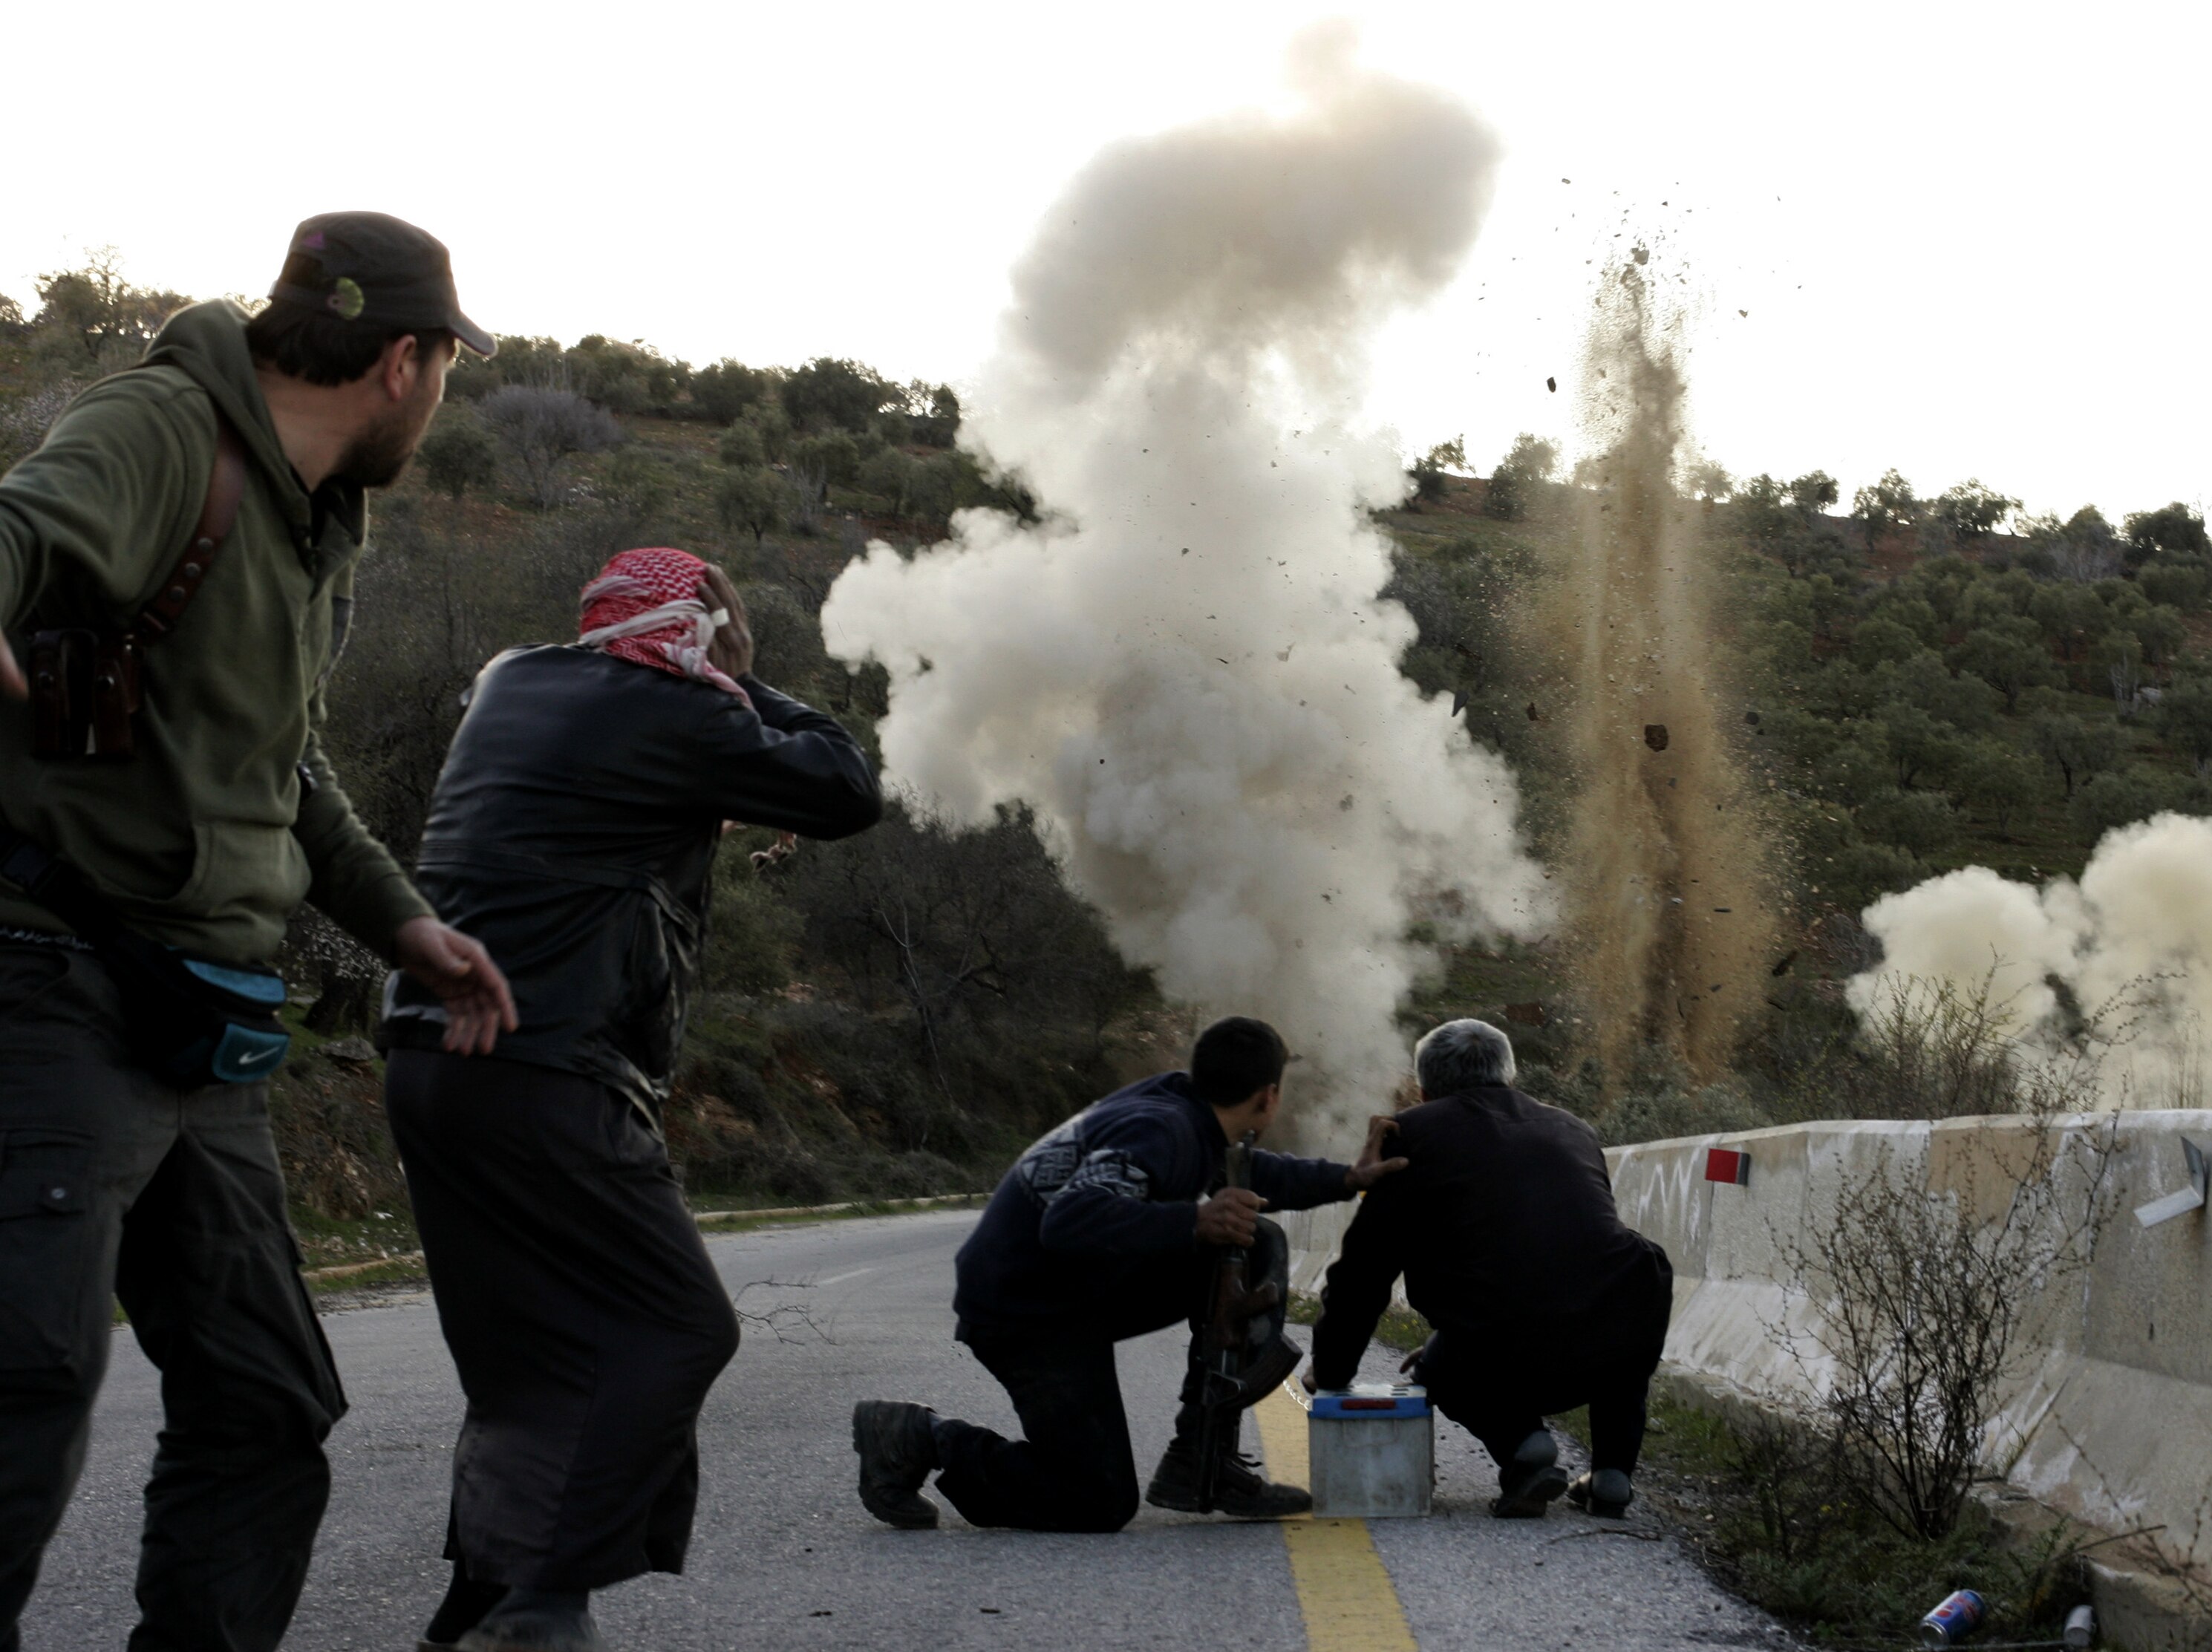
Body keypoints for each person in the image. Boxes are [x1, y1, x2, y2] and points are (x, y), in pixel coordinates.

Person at [0, 212, 517, 1652]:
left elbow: (278, 770)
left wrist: (406, 925)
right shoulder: (166, 432)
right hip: (51, 983)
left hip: (201, 1022)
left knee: (265, 1404)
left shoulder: (310, 520)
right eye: (445, 372)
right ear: (404, 363)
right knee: (22, 1390)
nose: (439, 397)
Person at [379, 546, 881, 1652]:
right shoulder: (682, 712)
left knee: (524, 1356)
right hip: (545, 1065)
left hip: (427, 1060)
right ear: (701, 629)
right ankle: (546, 1601)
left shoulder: (514, 673)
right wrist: (744, 670)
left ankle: (474, 1608)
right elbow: (847, 787)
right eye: (721, 629)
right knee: (677, 1326)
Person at [851, 1016, 1406, 1533]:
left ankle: (1202, 1461)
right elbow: (1070, 1218)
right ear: (1269, 1097)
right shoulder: (1164, 1128)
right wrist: (1193, 1218)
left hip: (1064, 1290)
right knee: (1096, 1499)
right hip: (1023, 1311)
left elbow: (1251, 1172)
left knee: (1254, 1238)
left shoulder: (1185, 1111)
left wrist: (1349, 1177)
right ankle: (920, 1437)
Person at [1305, 1018, 1674, 1519]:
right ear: (1510, 1078)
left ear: (1424, 1089)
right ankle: (1612, 1473)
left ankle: (1524, 1445)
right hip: (1608, 1349)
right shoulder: (1574, 1127)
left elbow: (1366, 1271)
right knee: (1621, 1290)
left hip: (1511, 1356)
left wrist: (1332, 1370)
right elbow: (1565, 1255)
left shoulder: (1408, 1133)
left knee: (1435, 1367)